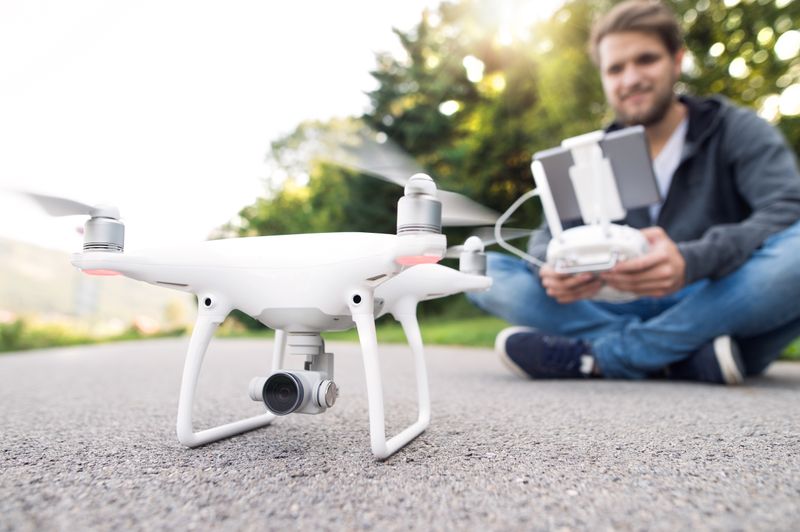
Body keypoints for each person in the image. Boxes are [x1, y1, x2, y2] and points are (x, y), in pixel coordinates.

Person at [469, 0, 800, 384]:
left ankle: (607, 355)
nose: (631, 79)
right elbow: (545, 238)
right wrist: (550, 267)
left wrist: (691, 260)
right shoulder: (588, 153)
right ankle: (684, 356)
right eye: (615, 69)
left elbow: (787, 209)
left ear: (677, 61)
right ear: (603, 77)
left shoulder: (733, 129)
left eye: (646, 60)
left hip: (712, 294)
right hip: (613, 303)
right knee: (483, 269)